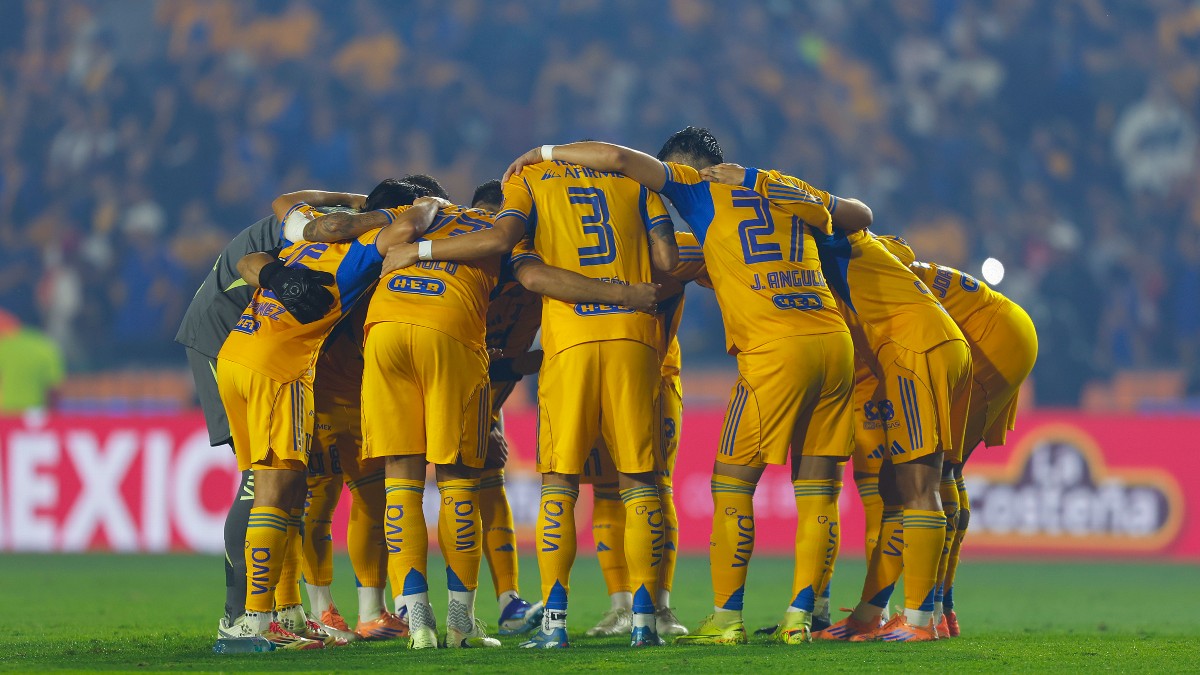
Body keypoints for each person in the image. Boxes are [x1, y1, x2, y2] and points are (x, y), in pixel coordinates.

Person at [506, 130, 861, 646]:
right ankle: (798, 615)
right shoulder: (784, 187)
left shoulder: (697, 190)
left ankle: (724, 618)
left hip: (770, 349)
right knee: (817, 490)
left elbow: (618, 159)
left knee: (725, 485)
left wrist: (540, 153)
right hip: (832, 339)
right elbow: (858, 216)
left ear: (689, 168)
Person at [383, 149, 680, 649]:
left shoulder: (530, 183)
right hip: (635, 340)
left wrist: (421, 250)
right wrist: (633, 291)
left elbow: (528, 270)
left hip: (569, 344)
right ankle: (646, 622)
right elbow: (669, 260)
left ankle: (552, 624)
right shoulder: (637, 183)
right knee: (640, 483)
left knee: (558, 484)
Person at [710, 166, 971, 643]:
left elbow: (849, 213)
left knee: (918, 485)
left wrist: (750, 181)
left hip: (912, 349)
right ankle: (891, 614)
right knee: (909, 483)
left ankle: (920, 622)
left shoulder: (821, 237)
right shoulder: (840, 244)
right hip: (933, 343)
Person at [215, 188, 443, 650]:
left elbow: (252, 254)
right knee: (276, 493)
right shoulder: (365, 248)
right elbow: (407, 226)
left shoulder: (305, 241)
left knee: (284, 492)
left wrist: (350, 204)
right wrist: (428, 206)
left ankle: (282, 615)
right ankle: (253, 625)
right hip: (280, 368)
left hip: (237, 354)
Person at [175, 189, 365, 640]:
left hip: (256, 342)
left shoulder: (317, 220)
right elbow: (257, 262)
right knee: (261, 478)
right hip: (223, 338)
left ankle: (284, 611)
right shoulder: (316, 231)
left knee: (285, 478)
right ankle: (238, 616)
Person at [876, 235, 1038, 637]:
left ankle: (929, 614)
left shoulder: (860, 277)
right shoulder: (879, 259)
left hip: (986, 338)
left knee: (933, 469)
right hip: (1003, 326)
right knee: (951, 466)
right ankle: (941, 611)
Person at [585, 230, 706, 640]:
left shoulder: (668, 246)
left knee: (656, 485)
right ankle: (621, 606)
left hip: (656, 374)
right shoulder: (583, 239)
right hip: (595, 372)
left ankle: (659, 605)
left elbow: (714, 258)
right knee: (605, 488)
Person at [0, 309, 65, 413]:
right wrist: (53, 414)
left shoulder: (4, 345)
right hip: (34, 413)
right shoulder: (46, 348)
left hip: (5, 412)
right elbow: (53, 388)